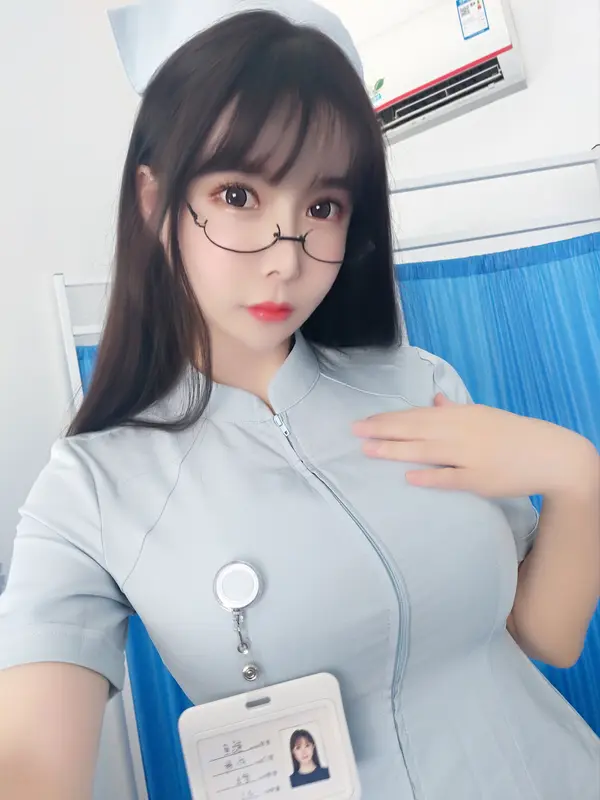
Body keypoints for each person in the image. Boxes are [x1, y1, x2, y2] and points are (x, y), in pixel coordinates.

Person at [0, 1, 599, 798]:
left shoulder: (420, 383)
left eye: (321, 207)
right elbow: (29, 764)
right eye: (238, 196)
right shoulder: (90, 490)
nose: (285, 258)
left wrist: (578, 474)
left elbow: (543, 636)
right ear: (154, 202)